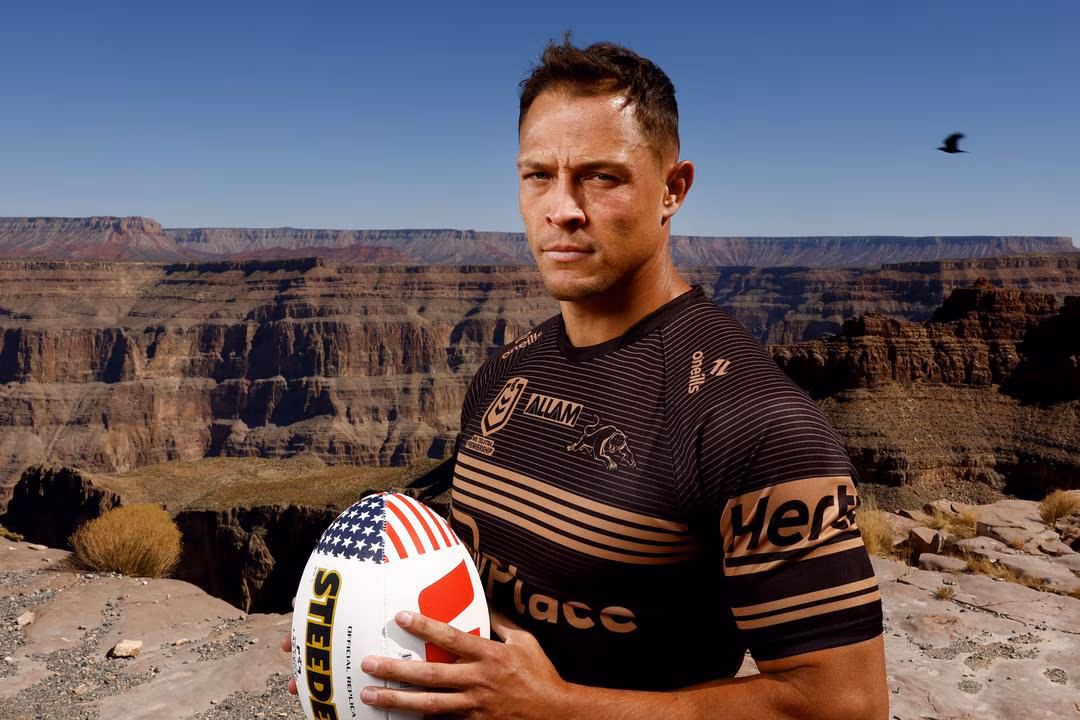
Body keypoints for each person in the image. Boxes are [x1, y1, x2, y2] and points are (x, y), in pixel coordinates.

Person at [290, 35, 889, 719]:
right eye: (538, 175)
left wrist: (557, 706)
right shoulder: (504, 375)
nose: (562, 208)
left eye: (600, 177)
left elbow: (846, 704)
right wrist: (357, 632)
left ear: (673, 189)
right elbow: (480, 586)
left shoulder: (751, 422)